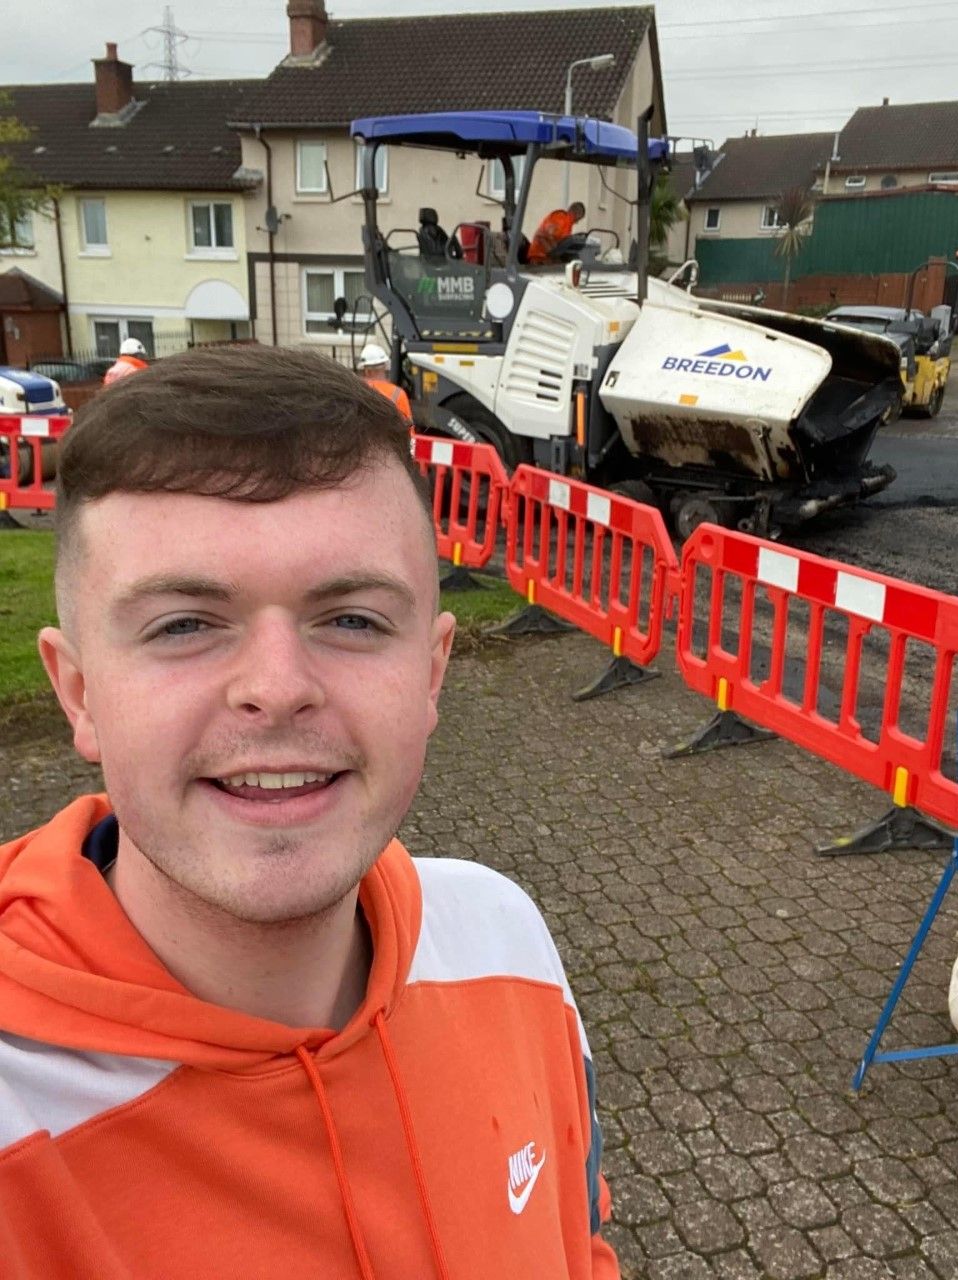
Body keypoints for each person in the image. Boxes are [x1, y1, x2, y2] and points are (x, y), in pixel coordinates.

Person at [0, 345, 619, 1278]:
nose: (278, 690)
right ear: (80, 693)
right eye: (185, 625)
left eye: (353, 620)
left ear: (433, 673)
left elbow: (579, 1244)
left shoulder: (504, 936)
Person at [357, 341, 414, 430]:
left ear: (366, 371)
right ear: (385, 366)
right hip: (391, 443)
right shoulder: (398, 394)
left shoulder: (356, 391)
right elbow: (408, 430)